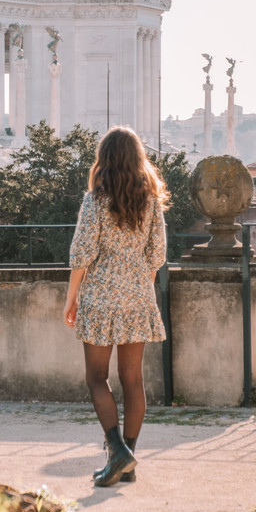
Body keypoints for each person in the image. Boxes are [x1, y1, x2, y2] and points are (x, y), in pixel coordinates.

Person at [64, 126, 168, 487]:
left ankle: (118, 452)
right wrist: (141, 289)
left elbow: (82, 253)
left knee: (96, 377)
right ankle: (127, 460)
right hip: (138, 295)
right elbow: (157, 255)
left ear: (104, 159)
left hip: (100, 297)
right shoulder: (151, 201)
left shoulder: (95, 201)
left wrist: (71, 297)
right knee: (133, 379)